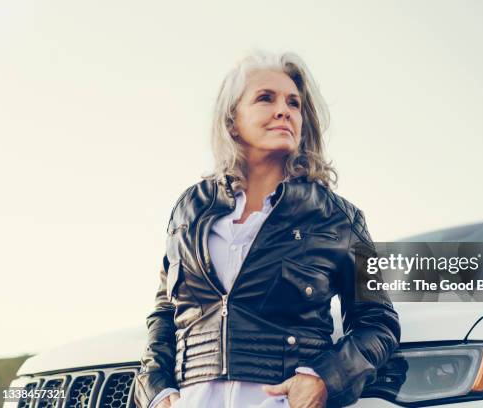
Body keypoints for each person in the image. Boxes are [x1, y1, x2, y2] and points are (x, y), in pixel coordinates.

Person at [133, 51, 400, 408]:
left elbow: (378, 323)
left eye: (294, 103)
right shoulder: (189, 208)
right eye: (265, 98)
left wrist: (324, 380)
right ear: (232, 121)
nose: (284, 110)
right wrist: (158, 394)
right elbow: (165, 313)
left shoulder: (342, 218)